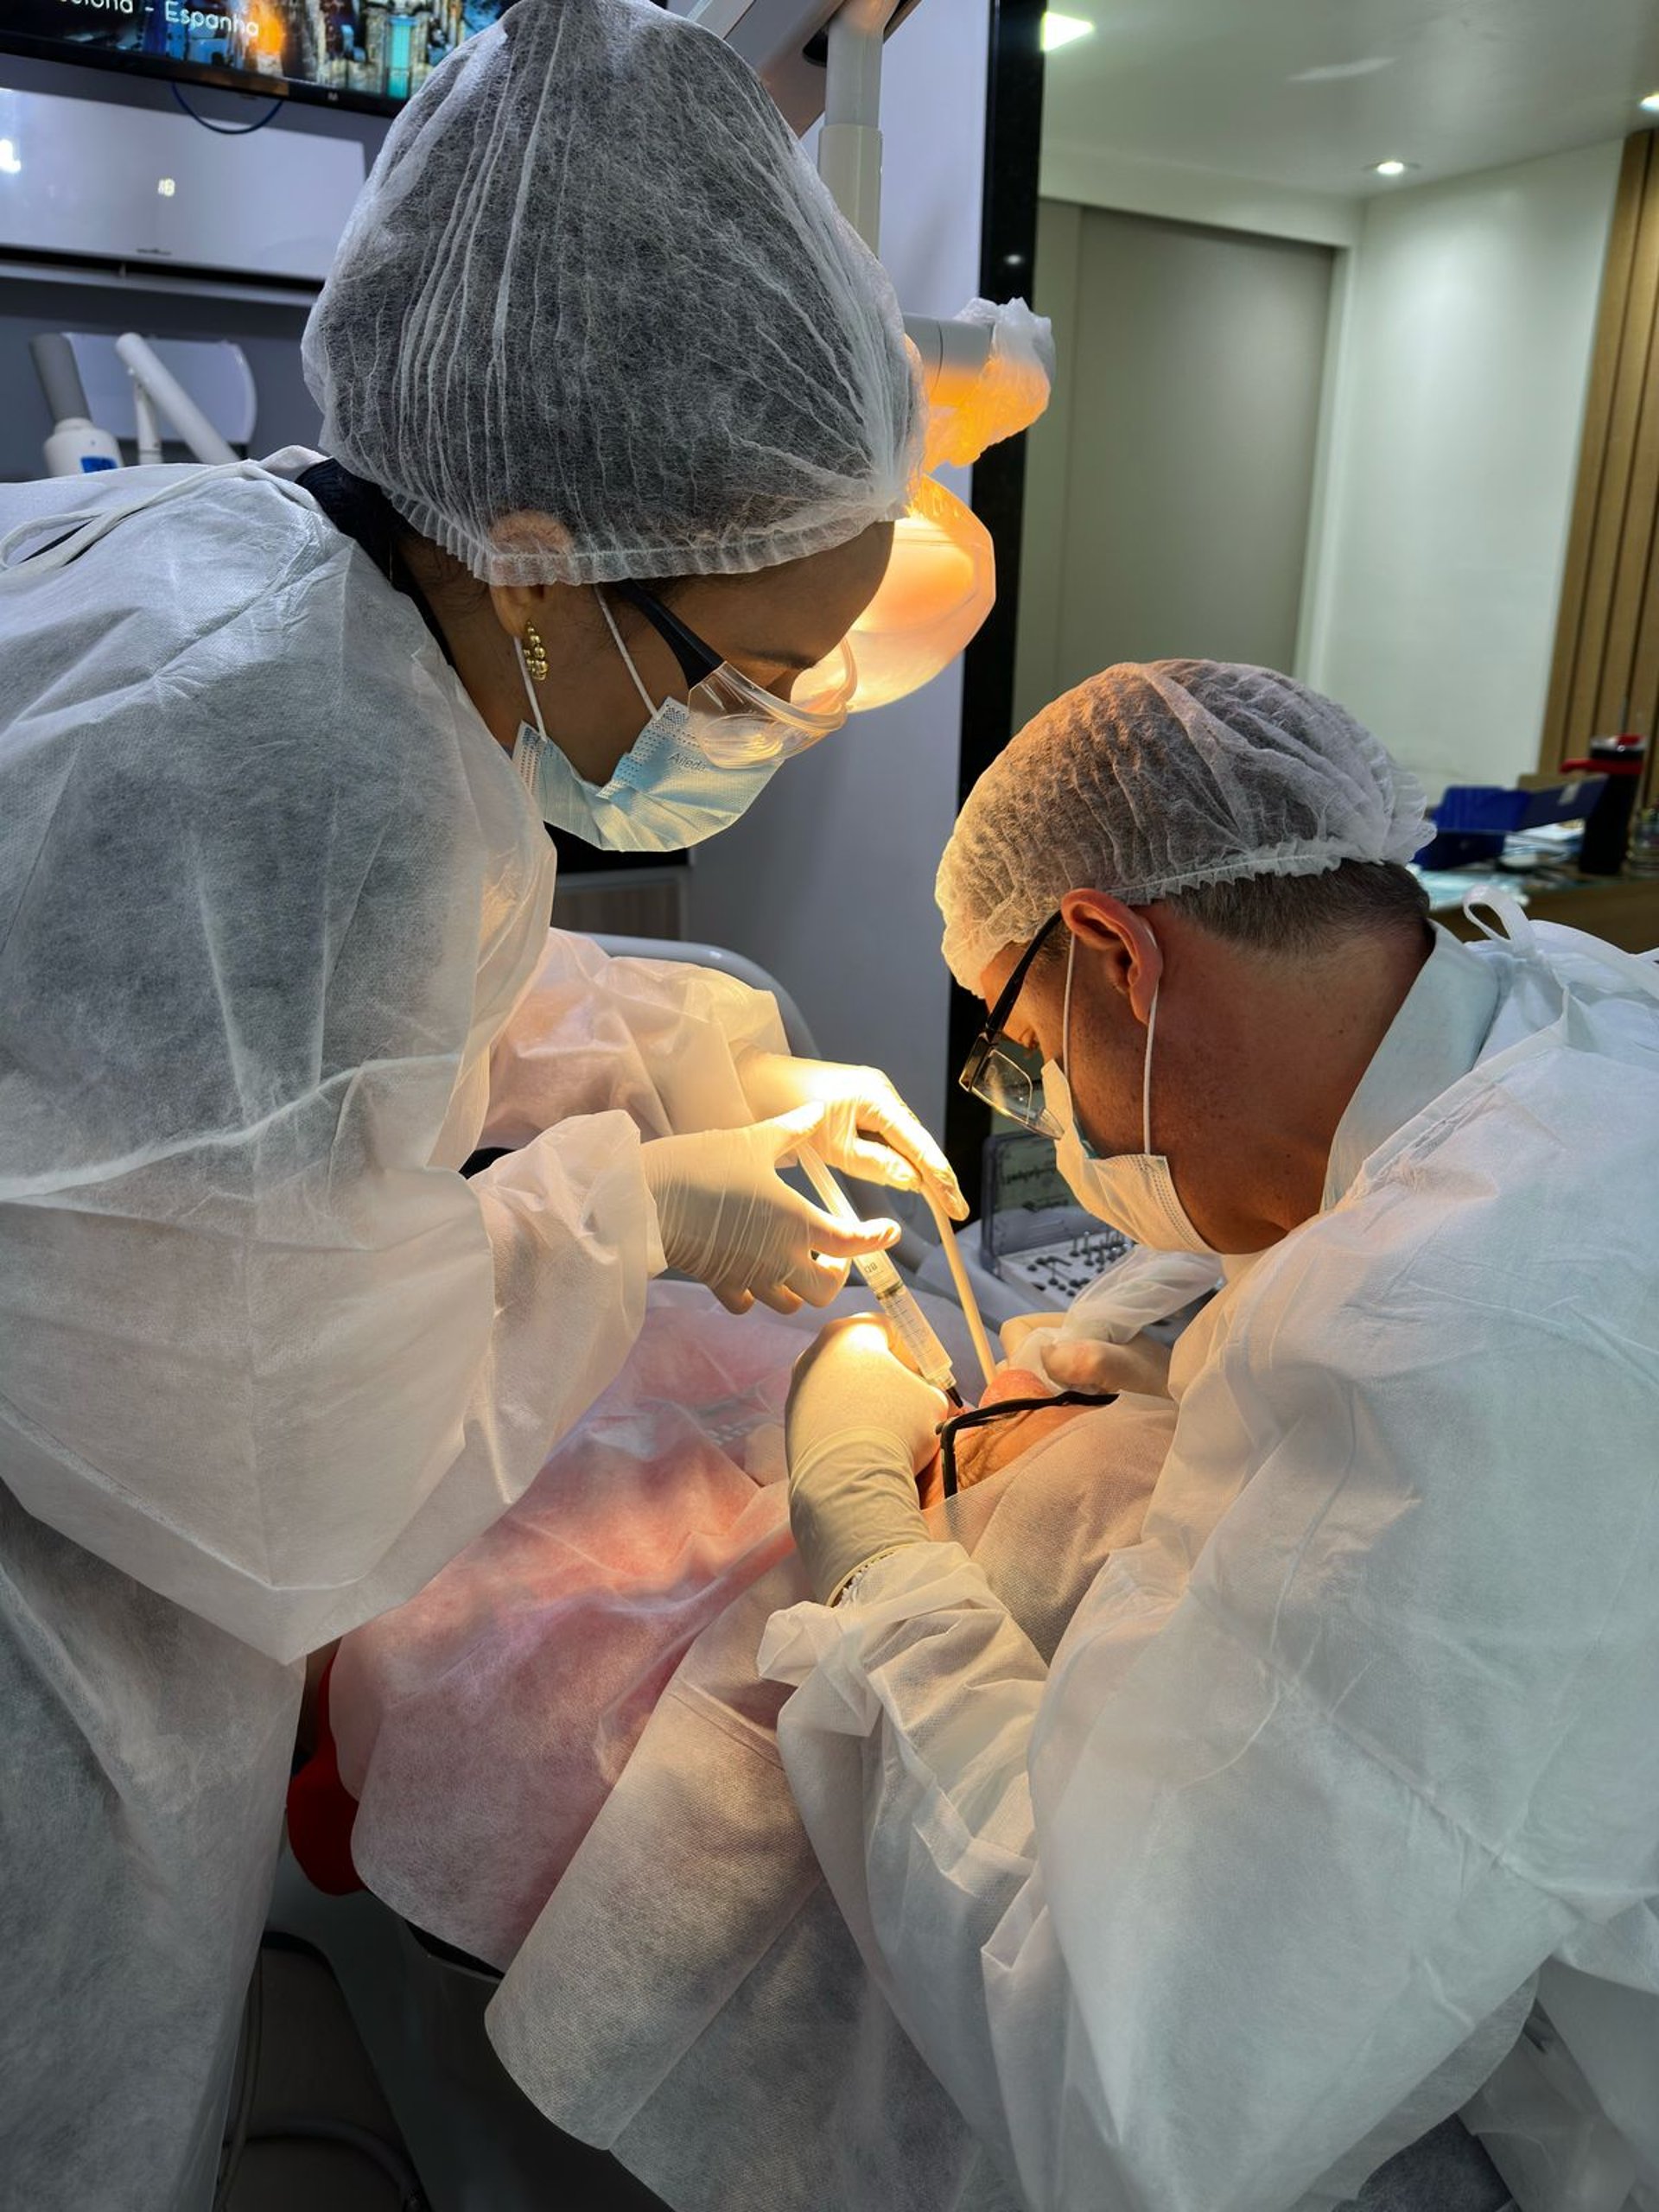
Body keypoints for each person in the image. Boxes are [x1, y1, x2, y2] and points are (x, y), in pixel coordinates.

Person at [0, 3, 969, 2203]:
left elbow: (212, 1044)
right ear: (539, 533)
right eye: (740, 671)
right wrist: (638, 1209)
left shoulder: (278, 578)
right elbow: (279, 1435)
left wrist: (669, 1048)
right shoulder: (310, 761)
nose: (779, 718)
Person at [771, 659, 1659, 2210]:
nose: (1043, 1104)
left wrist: (875, 1557)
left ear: (1116, 953)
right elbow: (1349, 1204)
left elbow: (1124, 2095)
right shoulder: (1572, 999)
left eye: (1023, 1048)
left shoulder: (1456, 1361)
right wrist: (1116, 1343)